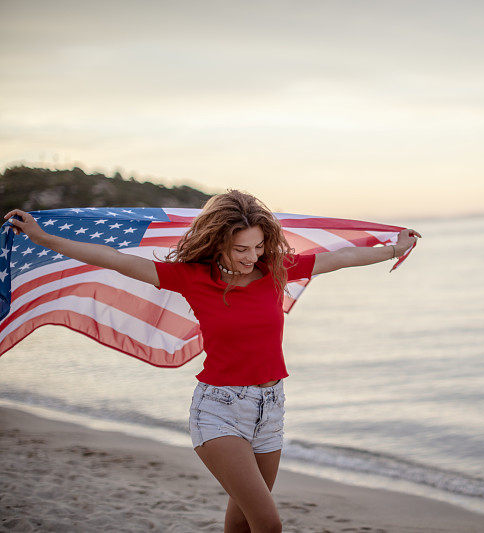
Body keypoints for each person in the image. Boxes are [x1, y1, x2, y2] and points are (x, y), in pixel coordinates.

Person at [3, 190, 420, 533]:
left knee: (240, 520)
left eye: (258, 246)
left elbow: (338, 259)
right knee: (268, 524)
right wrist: (46, 240)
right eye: (241, 249)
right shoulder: (193, 277)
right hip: (218, 409)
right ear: (220, 242)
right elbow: (117, 260)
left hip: (270, 410)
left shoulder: (275, 271)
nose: (251, 256)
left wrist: (391, 250)